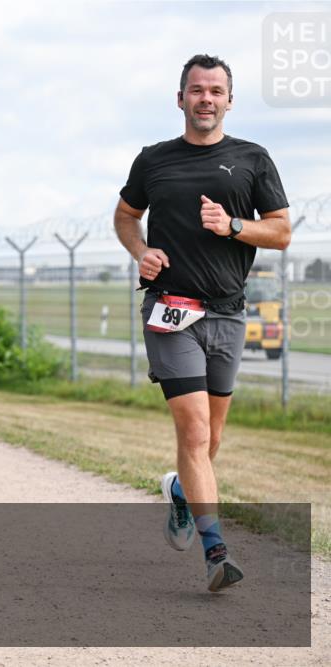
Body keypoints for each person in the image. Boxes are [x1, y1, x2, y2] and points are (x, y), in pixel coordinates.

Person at [114, 54, 291, 593]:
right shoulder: (154, 161)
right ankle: (217, 553)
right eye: (196, 90)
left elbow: (281, 232)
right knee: (192, 430)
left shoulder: (252, 159)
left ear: (229, 100)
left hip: (228, 314)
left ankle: (180, 495)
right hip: (171, 311)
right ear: (181, 99)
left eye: (216, 91)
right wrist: (140, 251)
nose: (205, 99)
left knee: (209, 439)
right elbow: (125, 216)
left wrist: (233, 224)